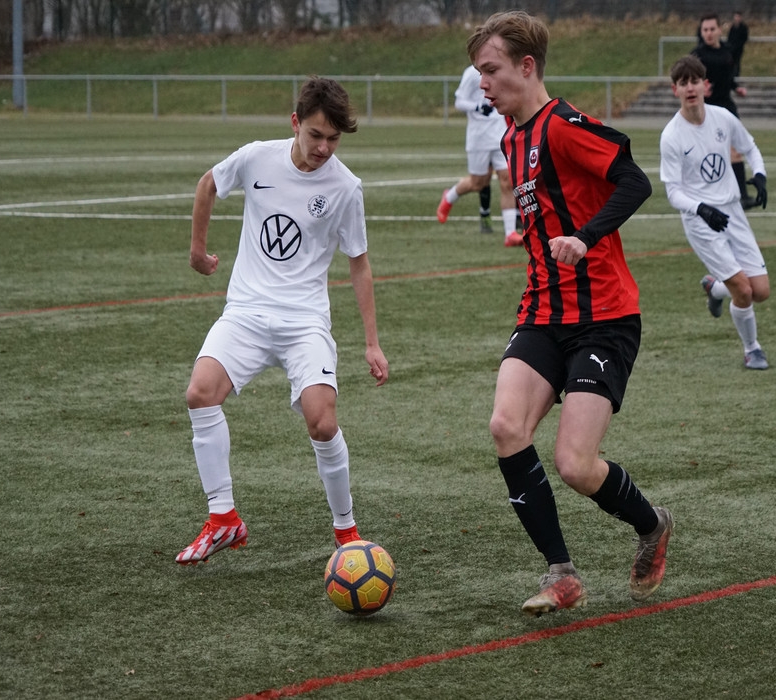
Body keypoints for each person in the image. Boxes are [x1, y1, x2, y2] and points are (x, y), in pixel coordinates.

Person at [466, 10, 673, 616]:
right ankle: (561, 574)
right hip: (541, 313)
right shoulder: (510, 139)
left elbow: (635, 182)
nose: (483, 83)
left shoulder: (563, 126)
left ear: (527, 66)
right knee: (506, 427)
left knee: (575, 464)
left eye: (491, 70)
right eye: (479, 73)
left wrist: (584, 237)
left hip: (604, 316)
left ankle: (652, 524)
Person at [175, 77, 390, 565]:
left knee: (322, 422)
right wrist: (197, 252)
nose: (324, 148)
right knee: (200, 393)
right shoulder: (257, 158)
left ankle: (346, 531)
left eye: (333, 139)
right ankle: (223, 519)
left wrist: (372, 342)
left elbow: (359, 263)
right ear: (295, 123)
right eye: (315, 135)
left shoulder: (345, 187)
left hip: (304, 320)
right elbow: (209, 183)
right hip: (246, 312)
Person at [660, 55, 771, 371]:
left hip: (732, 211)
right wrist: (702, 209)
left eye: (695, 81)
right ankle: (752, 349)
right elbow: (673, 192)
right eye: (683, 83)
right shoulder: (672, 135)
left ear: (705, 86)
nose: (690, 88)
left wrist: (760, 175)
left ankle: (715, 287)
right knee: (744, 290)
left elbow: (750, 148)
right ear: (675, 90)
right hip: (700, 221)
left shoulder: (723, 118)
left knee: (761, 291)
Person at [436, 64, 524, 247]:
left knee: (507, 181)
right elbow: (459, 102)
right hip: (478, 138)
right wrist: (477, 106)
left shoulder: (501, 69)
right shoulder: (471, 73)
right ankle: (449, 196)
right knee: (478, 183)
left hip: (499, 134)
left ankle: (510, 234)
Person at [692, 12, 753, 208]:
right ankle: (705, 193)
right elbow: (688, 79)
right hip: (707, 108)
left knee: (735, 150)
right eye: (705, 30)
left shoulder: (728, 50)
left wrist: (736, 87)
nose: (708, 33)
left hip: (726, 106)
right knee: (708, 152)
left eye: (712, 29)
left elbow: (727, 76)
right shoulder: (697, 55)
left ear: (719, 29)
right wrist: (700, 89)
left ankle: (742, 196)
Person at [727, 11, 749, 78]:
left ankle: (736, 76)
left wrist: (738, 45)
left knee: (737, 63)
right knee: (731, 63)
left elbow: (745, 38)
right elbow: (729, 37)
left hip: (739, 49)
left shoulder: (744, 27)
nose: (737, 18)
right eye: (736, 17)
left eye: (738, 17)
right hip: (731, 49)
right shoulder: (732, 27)